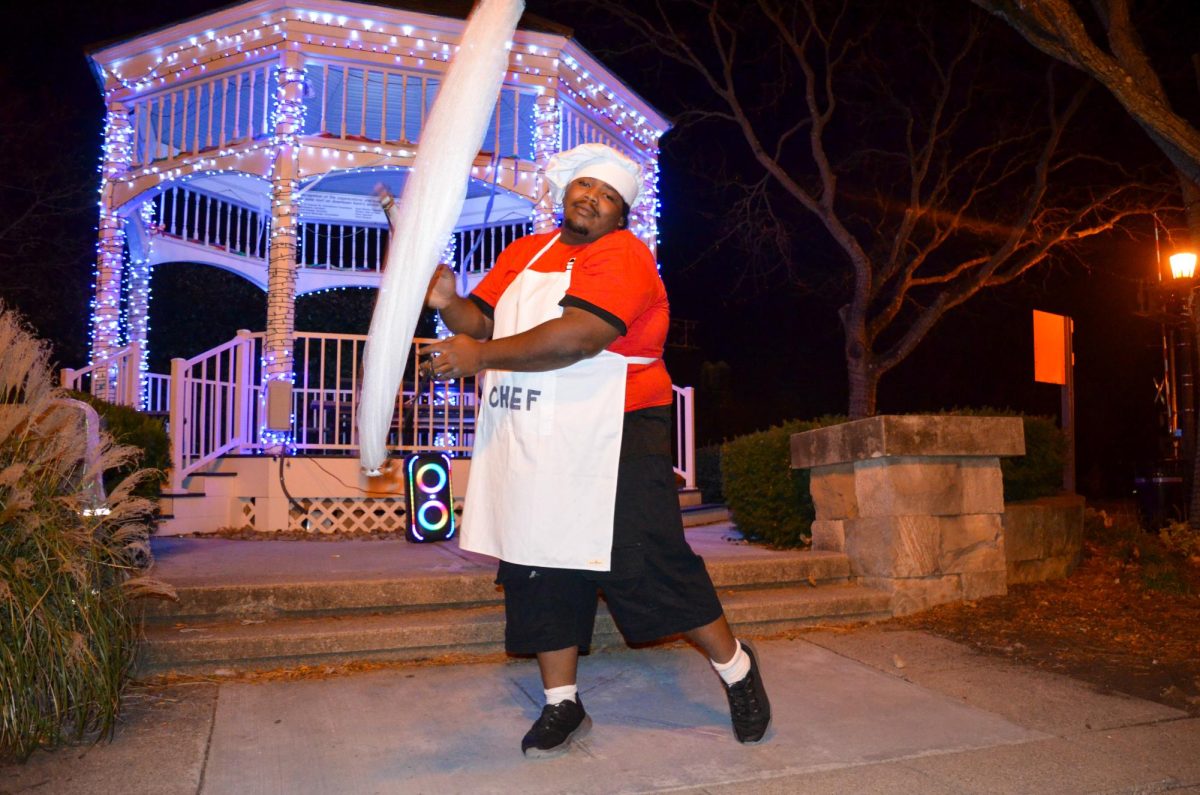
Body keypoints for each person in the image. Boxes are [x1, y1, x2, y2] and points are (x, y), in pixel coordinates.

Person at [419, 142, 770, 758]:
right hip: (535, 431)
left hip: (621, 424)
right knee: (539, 561)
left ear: (621, 214)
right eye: (585, 186)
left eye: (608, 196)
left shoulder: (626, 256)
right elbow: (485, 319)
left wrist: (479, 357)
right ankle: (563, 704)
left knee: (644, 556)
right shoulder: (526, 252)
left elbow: (580, 337)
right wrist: (451, 304)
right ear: (565, 191)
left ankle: (738, 668)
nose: (592, 199)